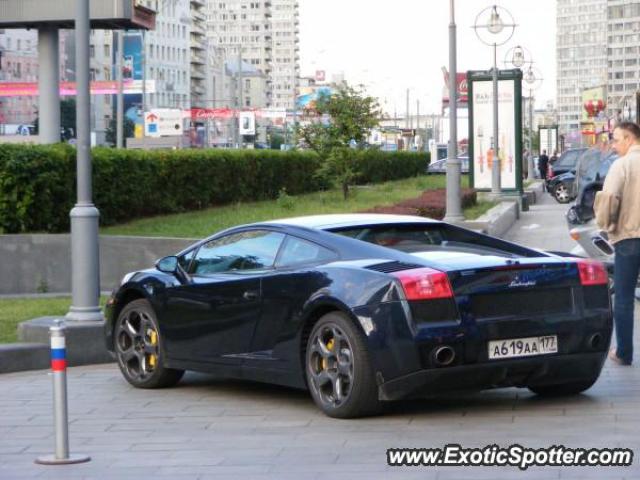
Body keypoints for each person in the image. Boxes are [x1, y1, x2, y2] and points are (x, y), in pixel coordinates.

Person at [594, 121, 640, 366]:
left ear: (629, 139)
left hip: (629, 239)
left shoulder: (621, 165)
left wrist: (607, 225)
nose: (613, 145)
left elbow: (608, 202)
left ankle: (624, 352)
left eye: (616, 139)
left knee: (623, 297)